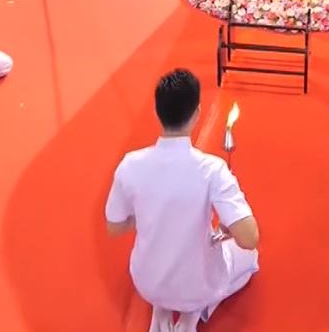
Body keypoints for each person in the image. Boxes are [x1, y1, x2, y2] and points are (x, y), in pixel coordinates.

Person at [105, 69, 260, 331]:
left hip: (147, 282)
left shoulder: (130, 164)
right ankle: (190, 318)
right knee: (249, 257)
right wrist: (228, 225)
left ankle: (162, 313)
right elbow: (249, 238)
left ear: (157, 111)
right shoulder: (213, 169)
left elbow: (114, 227)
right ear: (197, 113)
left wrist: (148, 214)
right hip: (196, 286)